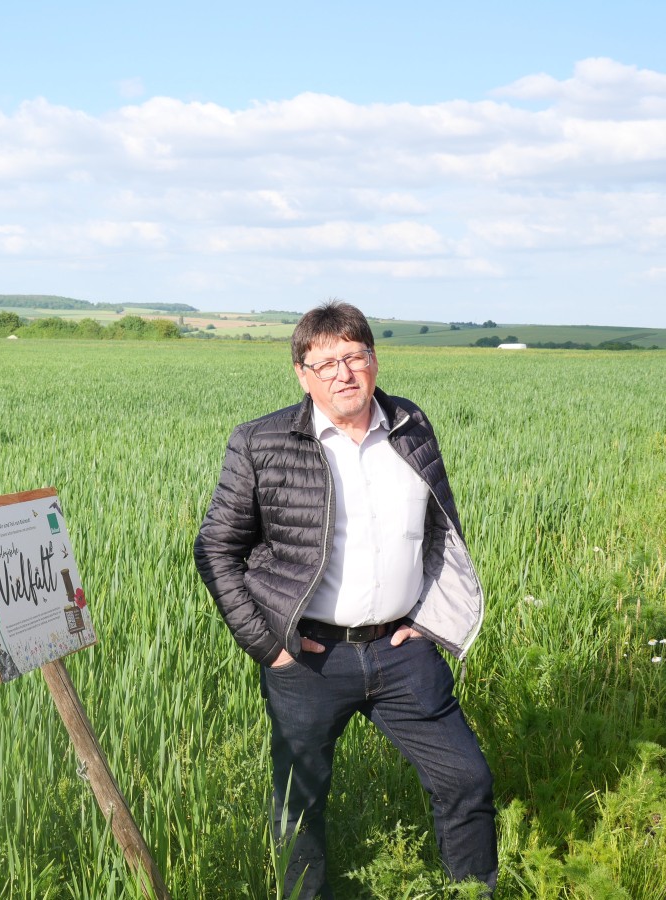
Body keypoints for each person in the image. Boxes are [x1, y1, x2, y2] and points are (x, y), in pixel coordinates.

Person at [193, 300, 496, 897]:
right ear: (302, 374)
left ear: (374, 360)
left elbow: (440, 527)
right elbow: (215, 550)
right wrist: (267, 645)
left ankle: (472, 892)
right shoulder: (261, 442)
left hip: (401, 651)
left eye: (353, 356)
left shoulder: (411, 425)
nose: (342, 372)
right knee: (299, 809)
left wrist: (430, 620)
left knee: (466, 778)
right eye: (324, 361)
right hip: (307, 658)